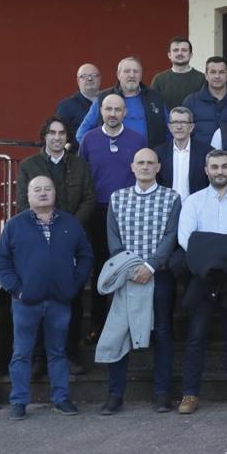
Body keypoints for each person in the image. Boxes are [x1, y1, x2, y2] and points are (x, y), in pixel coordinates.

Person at [0, 175, 93, 420]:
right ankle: (18, 401)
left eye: (47, 188)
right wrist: (17, 289)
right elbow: (0, 263)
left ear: (54, 193)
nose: (42, 193)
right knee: (21, 353)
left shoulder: (70, 224)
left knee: (58, 352)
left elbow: (86, 256)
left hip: (60, 300)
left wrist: (74, 283)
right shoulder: (15, 225)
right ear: (28, 196)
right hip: (25, 302)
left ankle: (61, 398)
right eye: (36, 189)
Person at [97, 148, 181, 415]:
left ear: (158, 167)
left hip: (159, 275)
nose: (145, 166)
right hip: (125, 276)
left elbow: (171, 235)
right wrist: (132, 268)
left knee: (162, 333)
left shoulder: (171, 198)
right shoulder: (117, 198)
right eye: (140, 163)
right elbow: (113, 238)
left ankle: (162, 393)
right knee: (119, 331)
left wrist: (150, 266)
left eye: (150, 163)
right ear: (132, 167)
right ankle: (114, 394)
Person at [175, 150, 227, 415]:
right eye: (214, 167)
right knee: (197, 336)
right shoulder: (193, 202)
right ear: (206, 170)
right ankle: (190, 393)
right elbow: (186, 239)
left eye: (224, 166)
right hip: (203, 277)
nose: (219, 171)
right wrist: (217, 260)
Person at [79, 94, 146, 346]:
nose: (113, 113)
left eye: (118, 109)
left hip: (128, 210)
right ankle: (98, 323)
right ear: (101, 111)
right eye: (108, 109)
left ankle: (129, 324)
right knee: (101, 266)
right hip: (98, 210)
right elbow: (84, 175)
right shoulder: (89, 139)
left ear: (125, 112)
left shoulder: (137, 140)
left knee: (128, 266)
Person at [76, 56, 167, 147]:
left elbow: (169, 130)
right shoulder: (103, 98)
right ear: (118, 75)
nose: (132, 75)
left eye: (136, 71)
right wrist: (98, 151)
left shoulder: (156, 98)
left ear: (141, 75)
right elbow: (82, 133)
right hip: (114, 158)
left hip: (148, 158)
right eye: (127, 71)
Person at [155, 106, 211, 201]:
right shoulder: (158, 153)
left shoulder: (206, 152)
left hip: (197, 207)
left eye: (184, 123)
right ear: (169, 127)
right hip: (166, 206)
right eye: (175, 122)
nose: (179, 126)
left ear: (191, 127)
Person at [183, 56, 227, 147]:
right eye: (213, 72)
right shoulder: (191, 101)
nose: (217, 76)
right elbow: (184, 131)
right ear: (206, 75)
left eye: (222, 72)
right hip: (201, 156)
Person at [151, 36, 206, 112]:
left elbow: (205, 107)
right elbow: (154, 106)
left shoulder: (201, 78)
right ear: (169, 55)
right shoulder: (159, 79)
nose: (180, 53)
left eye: (184, 50)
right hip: (167, 123)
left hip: (194, 123)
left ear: (190, 55)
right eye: (175, 50)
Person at [56, 63, 101, 138]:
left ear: (100, 78)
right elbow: (58, 135)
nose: (90, 79)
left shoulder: (110, 102)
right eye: (84, 76)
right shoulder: (66, 106)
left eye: (94, 75)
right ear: (78, 80)